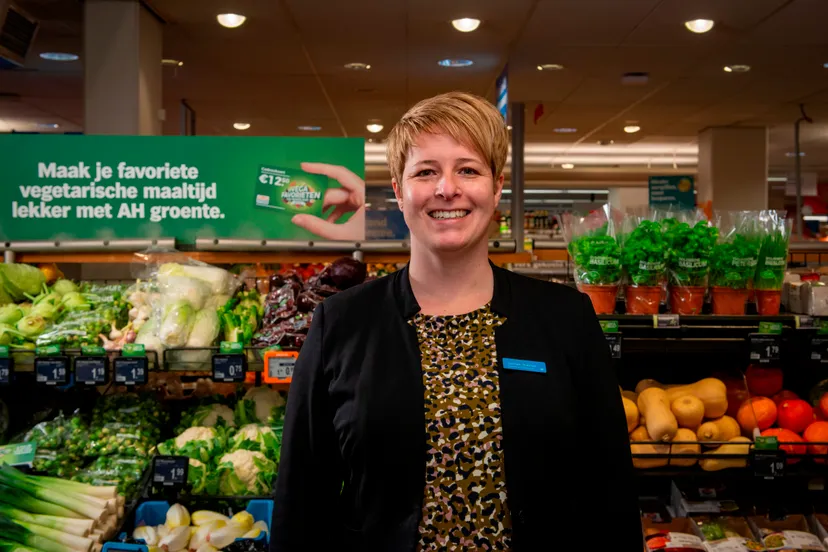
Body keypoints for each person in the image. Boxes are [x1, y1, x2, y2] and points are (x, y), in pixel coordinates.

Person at [272, 92, 641, 551]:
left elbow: (609, 489)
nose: (447, 188)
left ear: (497, 187)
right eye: (426, 171)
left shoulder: (566, 318)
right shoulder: (341, 323)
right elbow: (302, 500)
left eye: (468, 170)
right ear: (399, 190)